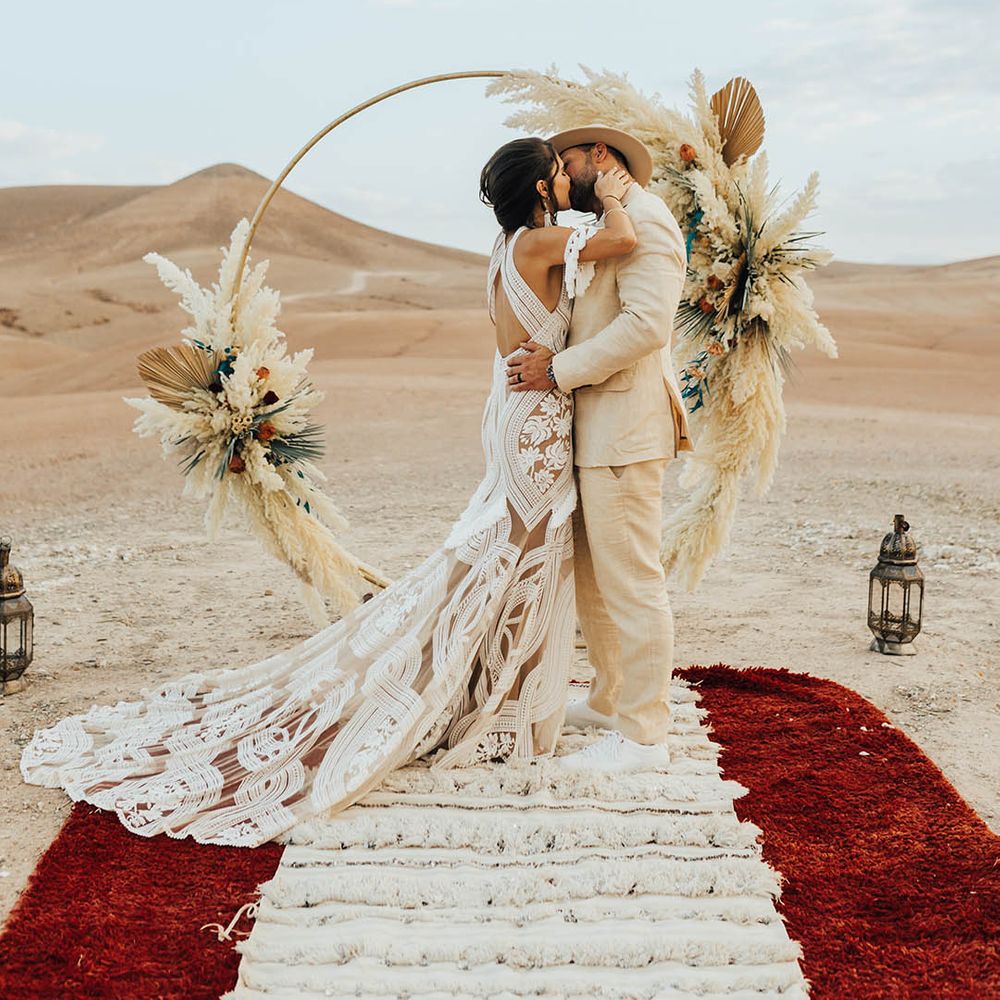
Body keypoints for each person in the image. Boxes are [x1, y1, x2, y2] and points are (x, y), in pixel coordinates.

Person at [19, 136, 643, 849]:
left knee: (511, 554)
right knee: (523, 554)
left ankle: (505, 696)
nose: (569, 180)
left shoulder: (504, 250)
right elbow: (620, 239)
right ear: (538, 187)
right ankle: (504, 707)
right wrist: (614, 197)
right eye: (560, 173)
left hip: (514, 415)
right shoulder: (540, 242)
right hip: (533, 424)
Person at [505, 124, 693, 773]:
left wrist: (556, 369)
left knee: (633, 581)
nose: (563, 172)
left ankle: (644, 737)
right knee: (597, 583)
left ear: (601, 158)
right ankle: (613, 700)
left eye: (570, 160)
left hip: (626, 429)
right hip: (594, 430)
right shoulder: (611, 223)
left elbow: (647, 324)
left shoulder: (647, 219)